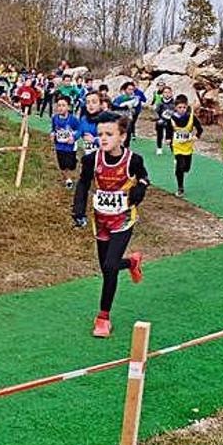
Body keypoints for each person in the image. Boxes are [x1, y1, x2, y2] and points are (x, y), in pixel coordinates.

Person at [72, 115, 149, 338]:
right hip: (101, 219)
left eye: (109, 134)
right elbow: (84, 183)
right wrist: (78, 209)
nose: (103, 139)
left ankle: (103, 317)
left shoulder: (133, 160)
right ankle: (132, 262)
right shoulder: (91, 160)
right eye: (100, 135)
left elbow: (143, 177)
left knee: (110, 263)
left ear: (122, 137)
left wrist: (140, 190)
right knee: (107, 269)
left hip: (123, 219)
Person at [170, 95, 204, 198]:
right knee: (180, 166)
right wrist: (167, 138)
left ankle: (181, 168)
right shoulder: (172, 117)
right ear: (175, 107)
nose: (182, 110)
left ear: (187, 107)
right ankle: (180, 187)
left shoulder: (191, 117)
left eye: (184, 107)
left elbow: (200, 129)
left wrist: (196, 136)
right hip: (177, 145)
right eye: (179, 107)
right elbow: (168, 128)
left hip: (188, 146)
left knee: (186, 168)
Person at [50, 97, 82, 189]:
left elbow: (80, 130)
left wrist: (74, 137)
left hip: (70, 146)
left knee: (71, 165)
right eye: (59, 105)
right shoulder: (55, 118)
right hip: (59, 146)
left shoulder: (73, 119)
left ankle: (74, 160)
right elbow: (53, 128)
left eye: (63, 105)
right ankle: (68, 180)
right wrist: (52, 134)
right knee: (62, 165)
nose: (60, 108)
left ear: (68, 107)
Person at [111, 82, 147, 146]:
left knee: (128, 132)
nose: (131, 91)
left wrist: (133, 109)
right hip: (119, 118)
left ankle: (126, 148)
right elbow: (113, 107)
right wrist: (123, 107)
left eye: (132, 89)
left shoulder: (134, 98)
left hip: (128, 118)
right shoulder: (120, 98)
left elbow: (136, 105)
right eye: (129, 89)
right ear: (125, 90)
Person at [154, 86, 176, 155]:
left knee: (171, 135)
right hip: (161, 121)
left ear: (171, 93)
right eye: (165, 92)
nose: (167, 94)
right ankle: (159, 148)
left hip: (171, 122)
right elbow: (156, 113)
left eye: (169, 92)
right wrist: (160, 118)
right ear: (162, 94)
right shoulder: (159, 103)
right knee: (159, 134)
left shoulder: (175, 103)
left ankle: (172, 148)